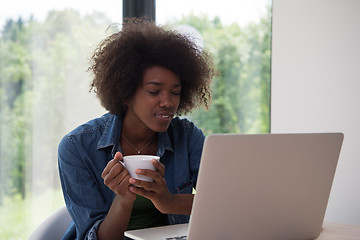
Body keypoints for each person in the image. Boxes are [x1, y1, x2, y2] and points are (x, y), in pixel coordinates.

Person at [58, 18, 215, 240]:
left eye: (175, 92)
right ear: (126, 92)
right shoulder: (76, 147)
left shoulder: (187, 136)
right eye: (154, 91)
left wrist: (168, 201)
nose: (168, 102)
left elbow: (221, 203)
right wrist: (123, 199)